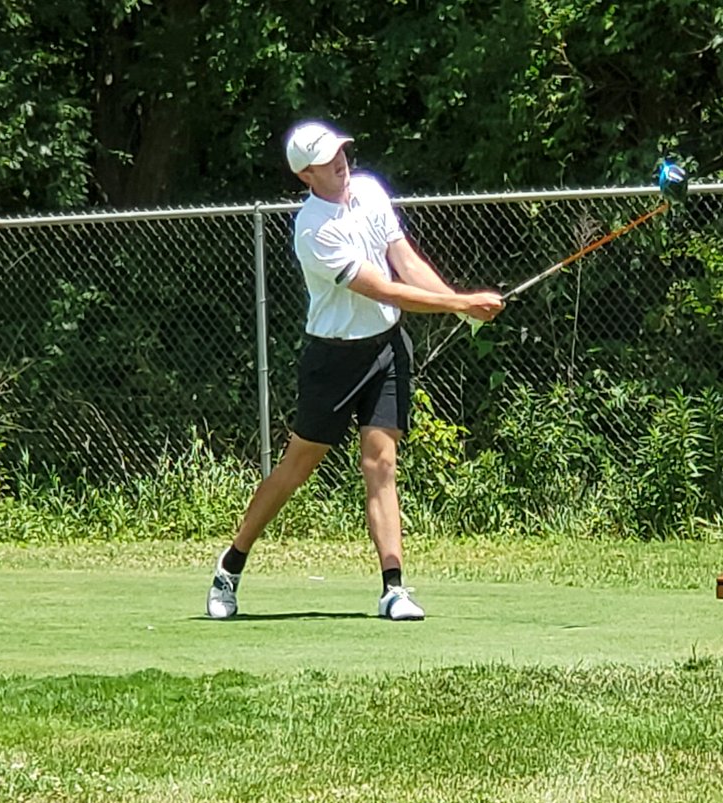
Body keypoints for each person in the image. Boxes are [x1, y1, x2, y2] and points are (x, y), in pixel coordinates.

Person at [206, 120, 504, 621]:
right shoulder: (313, 229)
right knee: (297, 466)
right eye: (326, 160)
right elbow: (382, 289)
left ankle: (394, 588)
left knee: (381, 463)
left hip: (387, 348)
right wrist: (458, 303)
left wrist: (457, 304)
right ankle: (230, 565)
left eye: (341, 152)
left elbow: (403, 261)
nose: (340, 163)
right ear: (306, 174)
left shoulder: (369, 191)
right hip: (333, 358)